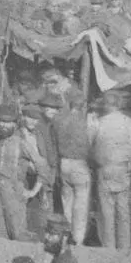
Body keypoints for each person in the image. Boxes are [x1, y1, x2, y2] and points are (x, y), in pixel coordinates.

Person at [90, 90, 131, 250]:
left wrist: (97, 159)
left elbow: (89, 145)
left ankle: (109, 248)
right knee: (123, 212)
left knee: (106, 212)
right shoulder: (130, 123)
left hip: (105, 170)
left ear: (107, 105)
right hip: (124, 170)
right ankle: (124, 248)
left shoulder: (98, 123)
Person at [0, 104, 46, 241]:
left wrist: (33, 191)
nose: (4, 125)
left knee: (18, 232)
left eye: (8, 122)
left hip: (14, 192)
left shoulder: (21, 144)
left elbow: (43, 167)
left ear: (15, 124)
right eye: (1, 122)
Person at [51, 89, 92, 245]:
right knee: (81, 204)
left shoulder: (59, 120)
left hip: (64, 163)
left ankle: (67, 236)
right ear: (84, 105)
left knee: (67, 202)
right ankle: (78, 240)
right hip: (80, 164)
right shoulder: (86, 122)